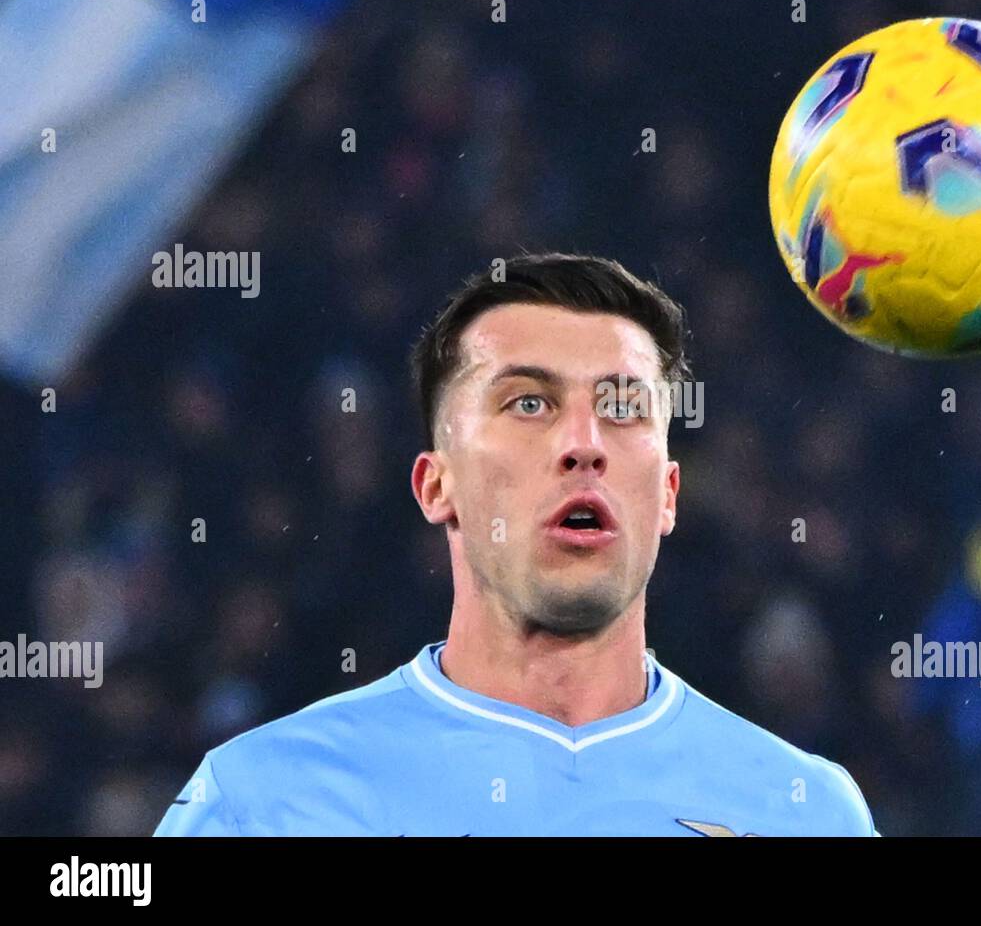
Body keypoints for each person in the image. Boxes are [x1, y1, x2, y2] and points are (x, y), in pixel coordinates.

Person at [155, 253, 879, 836]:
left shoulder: (803, 812)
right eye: (528, 403)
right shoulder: (268, 800)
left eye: (623, 407)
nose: (583, 445)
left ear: (667, 495)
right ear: (437, 487)